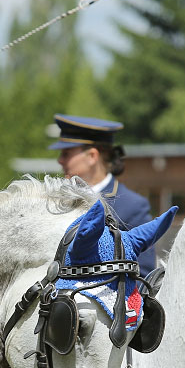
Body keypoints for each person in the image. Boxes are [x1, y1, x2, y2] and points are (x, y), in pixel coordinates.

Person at [49, 114, 157, 275]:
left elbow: (143, 275)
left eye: (66, 153)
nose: (60, 160)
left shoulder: (132, 207)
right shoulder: (56, 200)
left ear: (92, 156)